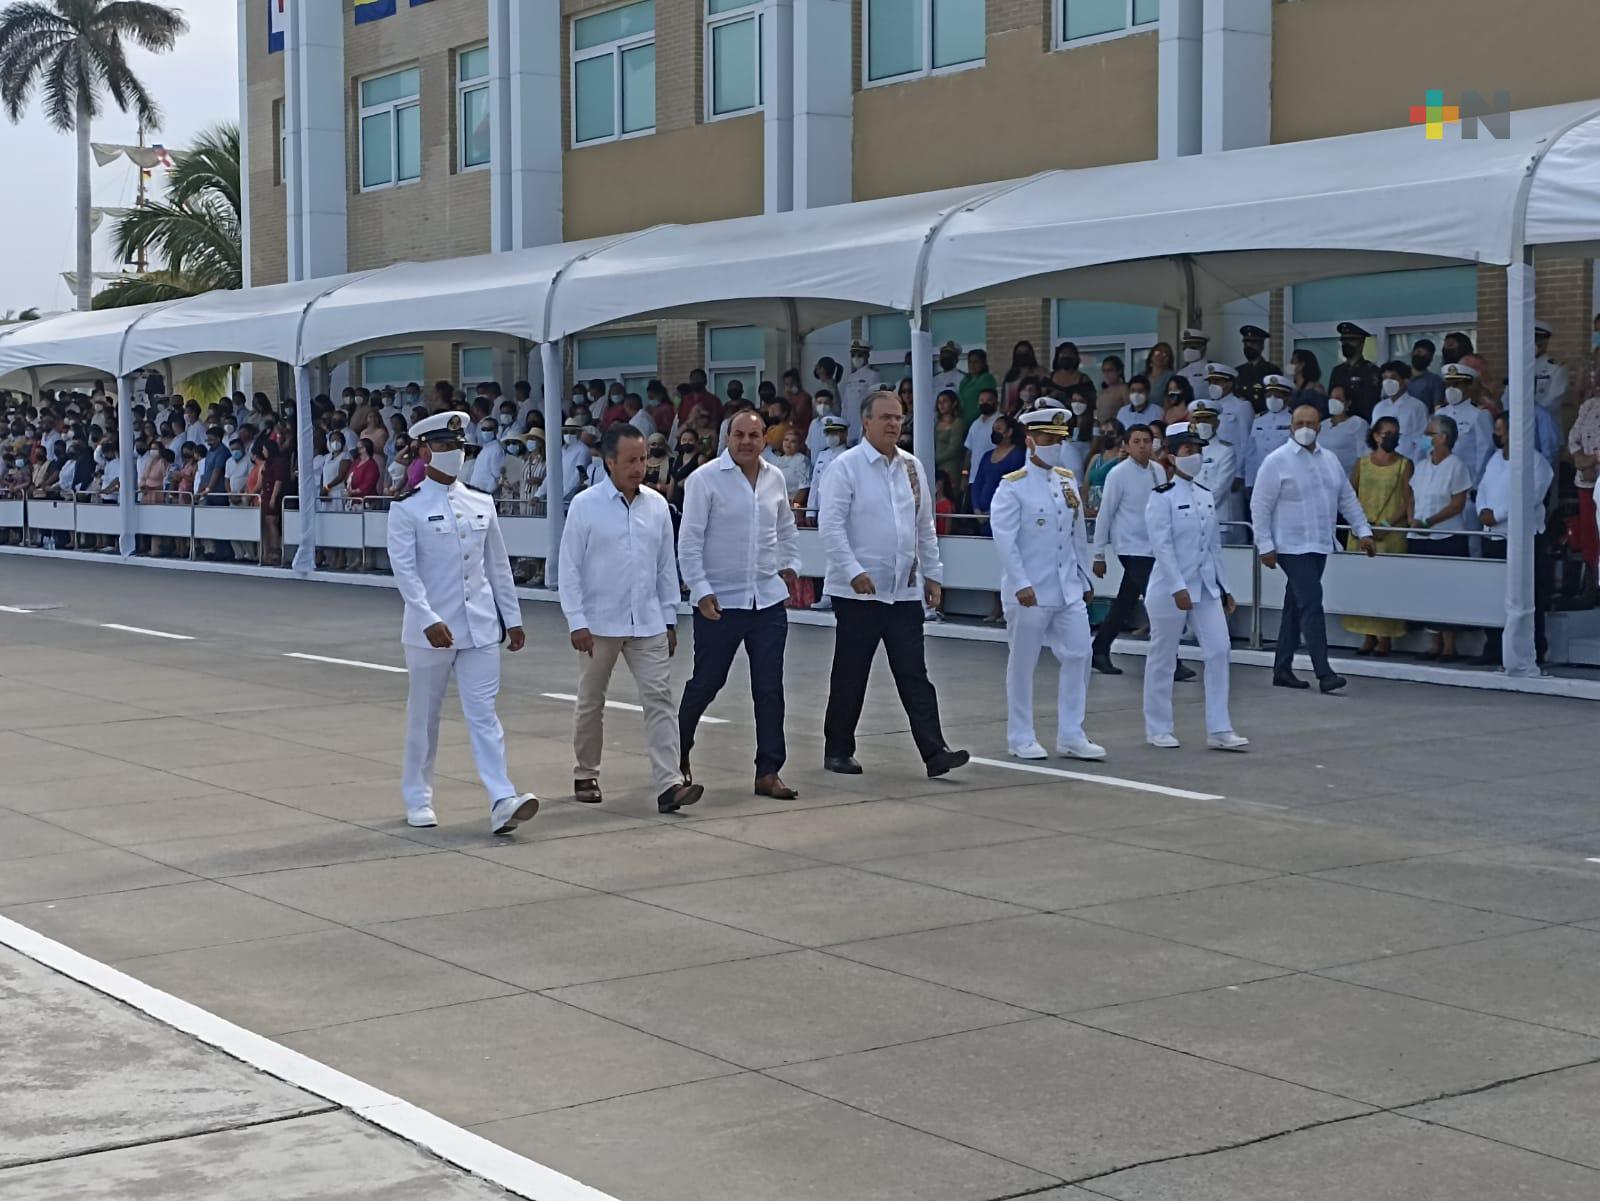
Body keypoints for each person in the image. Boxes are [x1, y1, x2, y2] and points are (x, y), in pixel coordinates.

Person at [385, 413, 538, 835]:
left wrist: (514, 617)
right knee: (424, 717)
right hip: (429, 633)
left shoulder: (481, 502)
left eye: (457, 445)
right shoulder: (408, 509)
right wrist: (428, 618)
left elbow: (498, 567)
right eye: (443, 445)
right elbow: (406, 573)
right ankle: (418, 797)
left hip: (482, 628)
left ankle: (502, 798)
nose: (453, 452)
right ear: (423, 450)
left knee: (485, 714)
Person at [819, 389, 968, 778]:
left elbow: (924, 527)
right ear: (865, 421)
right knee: (852, 672)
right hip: (858, 592)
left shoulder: (912, 467)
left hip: (903, 590)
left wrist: (933, 574)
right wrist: (853, 570)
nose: (893, 424)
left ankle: (935, 752)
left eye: (898, 418)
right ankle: (837, 749)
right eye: (885, 417)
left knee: (913, 672)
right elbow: (831, 526)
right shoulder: (846, 467)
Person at [558, 424, 703, 814]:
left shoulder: (657, 505)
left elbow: (664, 568)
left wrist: (670, 619)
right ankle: (586, 771)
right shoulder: (586, 506)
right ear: (609, 462)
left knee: (659, 700)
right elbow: (568, 568)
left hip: (649, 622)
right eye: (631, 461)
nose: (640, 467)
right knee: (591, 700)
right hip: (598, 624)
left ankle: (669, 783)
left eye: (644, 459)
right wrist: (576, 620)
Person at [677, 410, 801, 799]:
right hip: (720, 600)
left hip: (766, 600)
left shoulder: (775, 477)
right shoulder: (704, 480)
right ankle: (675, 759)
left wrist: (791, 565)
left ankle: (768, 770)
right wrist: (700, 590)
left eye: (754, 435)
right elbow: (690, 541)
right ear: (726, 437)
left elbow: (786, 528)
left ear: (765, 438)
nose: (747, 441)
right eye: (739, 435)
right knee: (706, 683)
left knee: (769, 688)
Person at [990, 408, 1105, 760]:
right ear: (1029, 441)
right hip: (1030, 592)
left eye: (1058, 439)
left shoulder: (1067, 480)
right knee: (1023, 663)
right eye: (1046, 439)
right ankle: (1020, 736)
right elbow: (1005, 540)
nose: (1053, 445)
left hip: (1067, 588)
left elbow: (1076, 535)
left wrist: (1084, 576)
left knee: (1080, 654)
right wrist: (1021, 582)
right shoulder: (1013, 487)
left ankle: (1072, 733)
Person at [1251, 405, 1376, 693]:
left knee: (1294, 606)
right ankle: (1324, 672)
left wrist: (1363, 531)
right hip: (1290, 547)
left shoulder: (1329, 460)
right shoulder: (1276, 461)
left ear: (1320, 427)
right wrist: (1265, 545)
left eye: (1311, 423)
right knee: (1311, 602)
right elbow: (1260, 506)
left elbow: (1347, 497)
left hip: (1319, 543)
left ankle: (1282, 668)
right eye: (1299, 423)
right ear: (1291, 426)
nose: (1305, 427)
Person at [1143, 424, 1248, 752]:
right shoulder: (1161, 498)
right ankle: (1158, 726)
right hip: (1170, 589)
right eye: (1188, 451)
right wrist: (1178, 586)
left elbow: (1213, 546)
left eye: (1198, 450)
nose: (1195, 456)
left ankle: (1219, 728)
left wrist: (1226, 587)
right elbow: (1162, 547)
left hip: (1205, 587)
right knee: (1163, 656)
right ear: (1171, 457)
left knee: (1219, 650)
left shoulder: (1204, 495)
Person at [1476, 411, 1557, 667]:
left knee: (1529, 596)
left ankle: (1532, 650)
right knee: (1493, 595)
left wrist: (1497, 514)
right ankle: (1494, 649)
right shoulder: (1495, 459)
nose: (1497, 434)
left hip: (1523, 539)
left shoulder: (1536, 462)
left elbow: (1530, 498)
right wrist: (1483, 511)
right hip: (1494, 538)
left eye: (1501, 430)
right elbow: (1483, 490)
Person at [1090, 423, 1168, 676]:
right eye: (1137, 441)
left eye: (1147, 440)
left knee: (1124, 603)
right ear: (1126, 445)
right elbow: (1105, 513)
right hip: (1130, 547)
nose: (1143, 445)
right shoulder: (1118, 473)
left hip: (1153, 546)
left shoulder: (1158, 471)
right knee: (1157, 601)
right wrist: (1098, 553)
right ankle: (1171, 661)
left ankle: (1099, 649)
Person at [1342, 417, 1411, 656]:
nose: (1391, 437)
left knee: (1387, 585)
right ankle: (1367, 636)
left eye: (1395, 433)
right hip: (1363, 532)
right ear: (1375, 435)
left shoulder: (1404, 464)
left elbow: (1407, 501)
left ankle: (1385, 638)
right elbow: (1349, 496)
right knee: (1363, 584)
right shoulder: (1362, 464)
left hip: (1390, 534)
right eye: (1386, 433)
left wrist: (1386, 525)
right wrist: (1360, 525)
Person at [1438, 363, 1496, 487]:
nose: (1451, 389)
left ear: (1468, 386)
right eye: (1448, 384)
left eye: (1456, 384)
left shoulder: (1479, 414)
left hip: (1467, 481)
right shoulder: (1440, 413)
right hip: (1442, 479)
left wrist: (1476, 482)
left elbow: (1485, 450)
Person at [971, 414, 1023, 532]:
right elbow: (977, 483)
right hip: (982, 518)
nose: (995, 432)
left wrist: (994, 512)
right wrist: (976, 509)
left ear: (1009, 432)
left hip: (1004, 517)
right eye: (993, 429)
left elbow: (1015, 488)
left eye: (999, 429)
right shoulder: (987, 456)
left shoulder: (1017, 455)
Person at [1244, 374, 1294, 492]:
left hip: (1284, 481)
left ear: (1287, 398)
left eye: (1277, 396)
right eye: (1268, 395)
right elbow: (1251, 454)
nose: (1272, 399)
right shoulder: (1258, 420)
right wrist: (1249, 482)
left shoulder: (1294, 420)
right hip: (1260, 479)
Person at [1372, 361, 1430, 462]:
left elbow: (1422, 442)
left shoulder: (1417, 407)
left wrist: (1415, 467)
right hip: (1381, 465)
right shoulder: (1379, 407)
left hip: (1406, 464)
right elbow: (1373, 439)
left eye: (1393, 378)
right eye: (1385, 378)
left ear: (1405, 381)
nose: (1388, 382)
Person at [1329, 321, 1383, 420]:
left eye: (1351, 340)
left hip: (1362, 423)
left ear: (1361, 343)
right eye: (1343, 340)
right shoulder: (1337, 371)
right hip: (1340, 424)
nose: (1346, 343)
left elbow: (1370, 403)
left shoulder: (1371, 371)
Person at [1207, 363, 1254, 468]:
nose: (1212, 385)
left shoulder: (1242, 406)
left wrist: (1240, 472)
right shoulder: (1207, 406)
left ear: (1229, 383)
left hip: (1232, 465)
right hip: (1211, 465)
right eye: (1210, 382)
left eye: (1217, 382)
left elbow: (1245, 441)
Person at [1319, 394, 1371, 476]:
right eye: (1331, 398)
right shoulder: (1322, 424)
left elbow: (1364, 456)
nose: (1333, 401)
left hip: (1345, 479)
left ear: (1348, 403)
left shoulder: (1358, 423)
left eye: (1338, 398)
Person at [841, 339, 882, 442]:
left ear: (867, 356)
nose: (856, 358)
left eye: (859, 355)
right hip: (849, 428)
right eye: (853, 355)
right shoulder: (851, 377)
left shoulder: (873, 375)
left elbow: (875, 403)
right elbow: (845, 405)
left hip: (863, 427)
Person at [1234, 324, 1281, 410]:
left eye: (1252, 343)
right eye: (1246, 344)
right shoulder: (1238, 371)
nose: (1248, 347)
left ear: (1261, 346)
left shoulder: (1271, 370)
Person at [1533, 320, 1570, 418]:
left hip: (1546, 426)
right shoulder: (1519, 369)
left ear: (1546, 341)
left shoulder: (1556, 369)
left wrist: (1529, 412)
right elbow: (1507, 399)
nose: (1534, 343)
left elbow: (1553, 402)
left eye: (1537, 339)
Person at [770, 427, 811, 510]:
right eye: (786, 440)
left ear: (799, 444)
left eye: (793, 441)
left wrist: (796, 507)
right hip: (777, 505)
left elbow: (804, 488)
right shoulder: (778, 460)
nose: (788, 444)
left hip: (794, 507)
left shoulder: (801, 460)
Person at [933, 389, 966, 484]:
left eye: (945, 401)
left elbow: (954, 449)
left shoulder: (958, 423)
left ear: (954, 403)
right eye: (939, 402)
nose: (941, 404)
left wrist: (935, 460)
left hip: (951, 467)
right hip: (937, 468)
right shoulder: (936, 424)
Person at [957, 349, 997, 425]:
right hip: (963, 422)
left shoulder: (986, 379)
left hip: (979, 422)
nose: (972, 365)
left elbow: (987, 402)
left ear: (983, 363)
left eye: (976, 362)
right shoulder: (965, 380)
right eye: (970, 362)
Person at [1408, 339, 1445, 411]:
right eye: (1419, 352)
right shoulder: (1400, 376)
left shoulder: (1435, 381)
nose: (1421, 356)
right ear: (1411, 353)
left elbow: (1438, 408)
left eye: (1426, 355)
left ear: (1431, 359)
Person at [1290, 348, 1328, 415]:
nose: (1291, 365)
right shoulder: (1292, 387)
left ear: (1302, 365)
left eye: (1293, 362)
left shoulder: (1316, 388)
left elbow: (1322, 412)